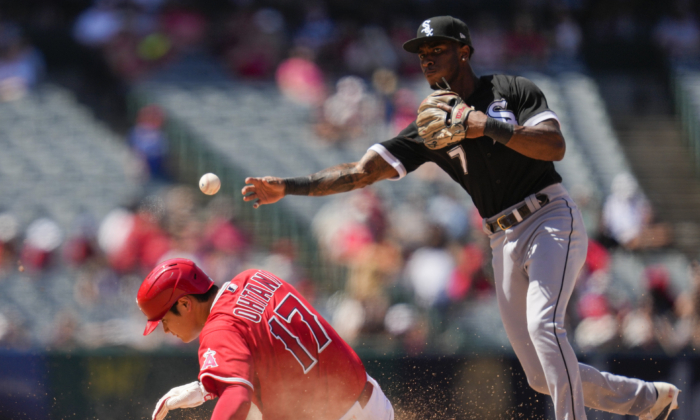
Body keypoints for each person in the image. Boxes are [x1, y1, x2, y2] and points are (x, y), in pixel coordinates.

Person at [241, 15, 680, 420]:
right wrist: (289, 185)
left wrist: (486, 125)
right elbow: (360, 172)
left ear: (465, 51)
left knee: (544, 326)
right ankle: (646, 401)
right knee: (539, 374)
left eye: (439, 49)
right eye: (422, 53)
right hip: (500, 238)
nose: (428, 58)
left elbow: (554, 146)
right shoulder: (431, 126)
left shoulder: (510, 90)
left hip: (549, 216)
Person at [136, 258, 394, 420]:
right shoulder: (254, 277)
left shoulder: (217, 331)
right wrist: (212, 384)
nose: (166, 330)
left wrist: (226, 386)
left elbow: (237, 398)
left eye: (164, 320)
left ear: (184, 303)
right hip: (372, 400)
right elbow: (270, 346)